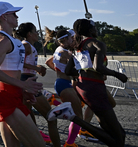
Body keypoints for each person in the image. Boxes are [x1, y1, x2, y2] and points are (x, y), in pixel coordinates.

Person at [0, 0, 46, 147]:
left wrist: (22, 91)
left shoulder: (9, 40)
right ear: (5, 17)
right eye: (14, 14)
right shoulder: (2, 40)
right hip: (5, 94)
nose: (17, 17)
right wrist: (22, 84)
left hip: (10, 92)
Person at [52, 18, 129, 147]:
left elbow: (68, 70)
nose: (96, 30)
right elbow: (98, 68)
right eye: (95, 27)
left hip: (83, 88)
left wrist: (83, 75)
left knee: (117, 133)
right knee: (119, 138)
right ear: (91, 29)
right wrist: (118, 74)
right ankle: (73, 117)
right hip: (95, 88)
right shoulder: (97, 44)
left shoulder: (77, 47)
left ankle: (75, 119)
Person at [14, 22, 59, 147]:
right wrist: (37, 68)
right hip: (28, 83)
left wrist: (37, 68)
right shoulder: (25, 45)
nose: (37, 33)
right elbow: (17, 62)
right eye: (35, 31)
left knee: (28, 117)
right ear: (29, 34)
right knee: (51, 117)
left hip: (27, 82)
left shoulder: (28, 46)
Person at [44, 28, 84, 147]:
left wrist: (59, 72)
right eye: (72, 39)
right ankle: (69, 143)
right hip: (65, 84)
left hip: (61, 82)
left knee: (75, 112)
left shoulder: (59, 50)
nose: (73, 41)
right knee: (77, 116)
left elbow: (48, 62)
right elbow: (78, 68)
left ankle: (53, 101)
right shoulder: (65, 53)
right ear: (65, 39)